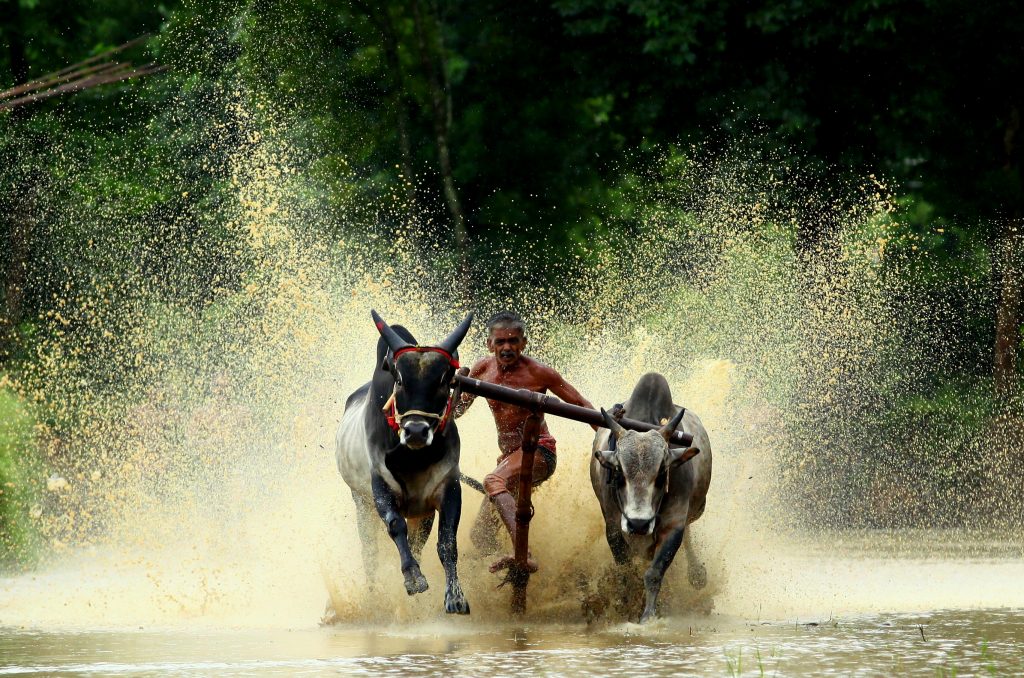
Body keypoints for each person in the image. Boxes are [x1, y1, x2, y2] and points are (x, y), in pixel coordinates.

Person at [454, 311, 595, 572]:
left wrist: (611, 435)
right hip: (509, 460)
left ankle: (523, 554)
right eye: (500, 342)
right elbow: (456, 412)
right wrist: (452, 388)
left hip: (540, 451)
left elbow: (580, 404)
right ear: (490, 345)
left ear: (523, 343)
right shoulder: (482, 369)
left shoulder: (539, 373)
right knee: (481, 536)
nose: (507, 347)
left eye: (513, 341)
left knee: (493, 480)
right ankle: (515, 568)